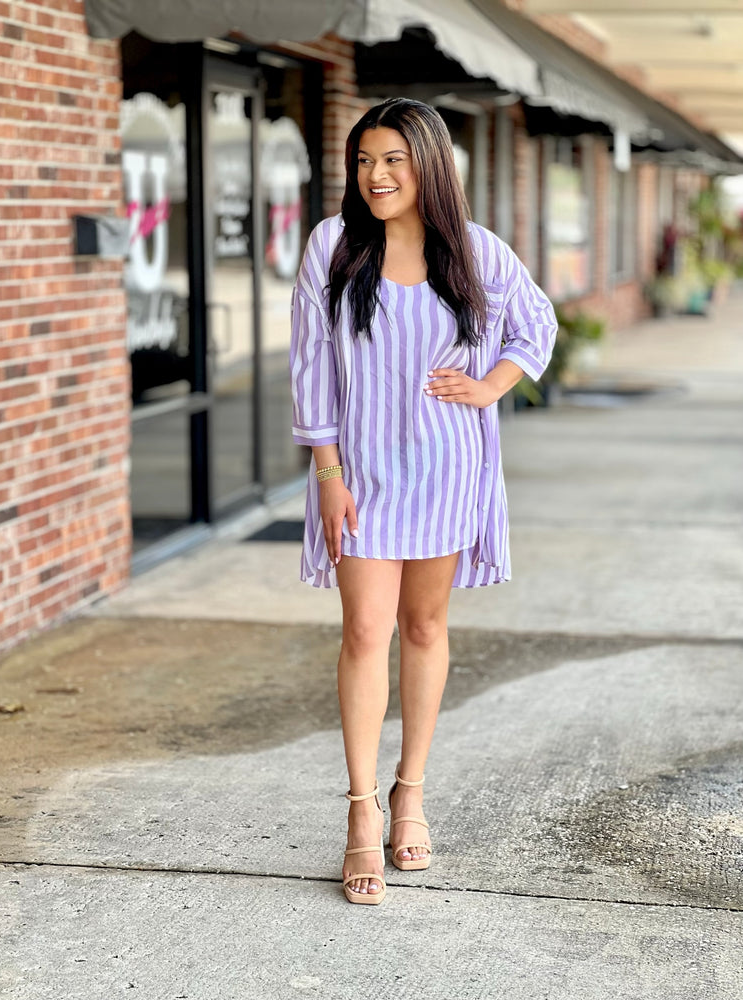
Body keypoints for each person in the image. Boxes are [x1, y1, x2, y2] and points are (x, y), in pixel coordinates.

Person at [290, 97, 557, 905]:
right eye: (363, 161)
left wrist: (489, 387)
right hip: (359, 476)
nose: (374, 176)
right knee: (363, 631)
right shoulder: (333, 246)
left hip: (446, 469)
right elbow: (311, 366)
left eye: (391, 161)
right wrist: (327, 475)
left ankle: (410, 792)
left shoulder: (474, 252)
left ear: (428, 166)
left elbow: (535, 325)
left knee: (424, 627)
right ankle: (361, 810)